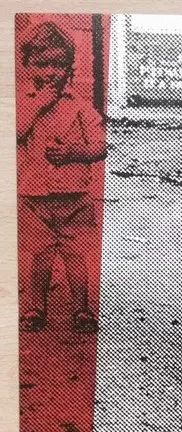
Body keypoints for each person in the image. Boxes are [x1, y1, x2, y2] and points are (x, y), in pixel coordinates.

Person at [17, 21, 107, 333]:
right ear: (28, 66)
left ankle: (82, 309)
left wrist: (74, 152)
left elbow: (100, 146)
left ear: (69, 67)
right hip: (35, 197)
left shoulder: (79, 106)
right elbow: (14, 132)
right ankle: (35, 308)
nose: (51, 72)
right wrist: (38, 106)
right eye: (42, 64)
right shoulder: (23, 104)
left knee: (75, 254)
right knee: (39, 255)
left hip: (74, 197)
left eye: (59, 64)